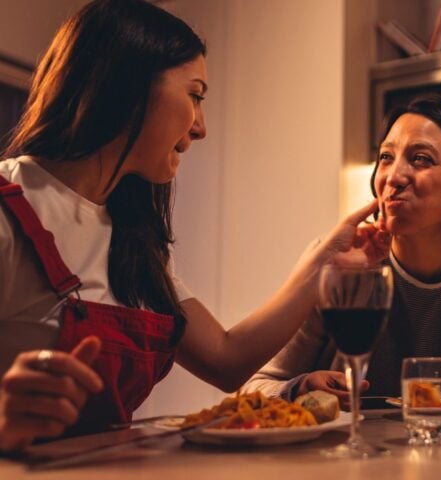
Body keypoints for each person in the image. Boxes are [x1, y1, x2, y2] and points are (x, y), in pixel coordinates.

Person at [0, 0, 390, 452]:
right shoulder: (11, 209)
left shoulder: (132, 239)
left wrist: (325, 260)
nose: (201, 126)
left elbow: (226, 360)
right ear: (129, 87)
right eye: (195, 95)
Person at [244, 95, 441, 407]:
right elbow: (254, 387)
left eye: (421, 158)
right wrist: (300, 387)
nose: (393, 177)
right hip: (338, 453)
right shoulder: (338, 268)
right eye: (386, 157)